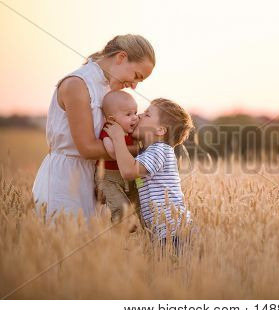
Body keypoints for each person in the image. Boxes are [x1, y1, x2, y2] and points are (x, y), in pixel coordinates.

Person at [32, 34, 155, 219]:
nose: (134, 85)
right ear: (121, 57)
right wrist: (142, 153)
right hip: (65, 180)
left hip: (91, 178)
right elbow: (88, 147)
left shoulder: (108, 89)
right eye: (136, 76)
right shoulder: (77, 84)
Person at [103, 98, 194, 245]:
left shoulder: (160, 150)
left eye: (147, 115)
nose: (138, 116)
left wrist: (117, 136)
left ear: (160, 130)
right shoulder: (146, 152)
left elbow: (128, 171)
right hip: (164, 232)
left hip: (173, 231)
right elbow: (119, 158)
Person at [95, 91, 140, 223]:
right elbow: (112, 152)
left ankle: (148, 225)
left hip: (127, 176)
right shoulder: (109, 131)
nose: (134, 118)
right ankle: (122, 223)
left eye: (135, 113)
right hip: (108, 178)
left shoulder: (132, 132)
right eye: (128, 114)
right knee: (118, 203)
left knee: (140, 201)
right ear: (111, 120)